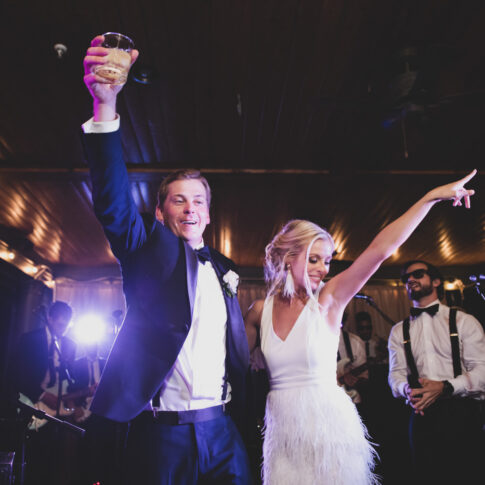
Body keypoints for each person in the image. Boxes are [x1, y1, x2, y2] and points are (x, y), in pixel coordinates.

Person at [81, 35, 252, 484]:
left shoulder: (224, 269)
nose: (190, 208)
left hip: (223, 431)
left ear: (209, 214)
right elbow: (114, 203)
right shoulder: (145, 251)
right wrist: (106, 108)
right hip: (161, 438)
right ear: (160, 213)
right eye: (178, 201)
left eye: (198, 200)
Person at [244, 171, 477, 485]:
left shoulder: (328, 299)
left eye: (327, 261)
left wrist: (431, 197)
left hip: (329, 430)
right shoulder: (260, 311)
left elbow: (380, 250)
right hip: (283, 436)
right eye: (314, 259)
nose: (322, 269)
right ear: (288, 256)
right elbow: (232, 367)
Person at [388, 259, 485, 484]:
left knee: (468, 474)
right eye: (406, 278)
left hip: (461, 412)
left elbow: (482, 371)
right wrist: (407, 389)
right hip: (422, 415)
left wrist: (445, 387)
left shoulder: (464, 322)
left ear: (436, 281)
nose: (410, 280)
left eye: (418, 274)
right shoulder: (398, 330)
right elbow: (395, 375)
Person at [11, 301, 77, 485]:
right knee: (33, 458)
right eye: (60, 324)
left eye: (67, 325)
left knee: (55, 460)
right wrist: (41, 395)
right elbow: (18, 374)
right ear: (49, 318)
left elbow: (69, 380)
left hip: (57, 410)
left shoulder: (70, 345)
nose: (63, 329)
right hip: (34, 403)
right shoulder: (31, 339)